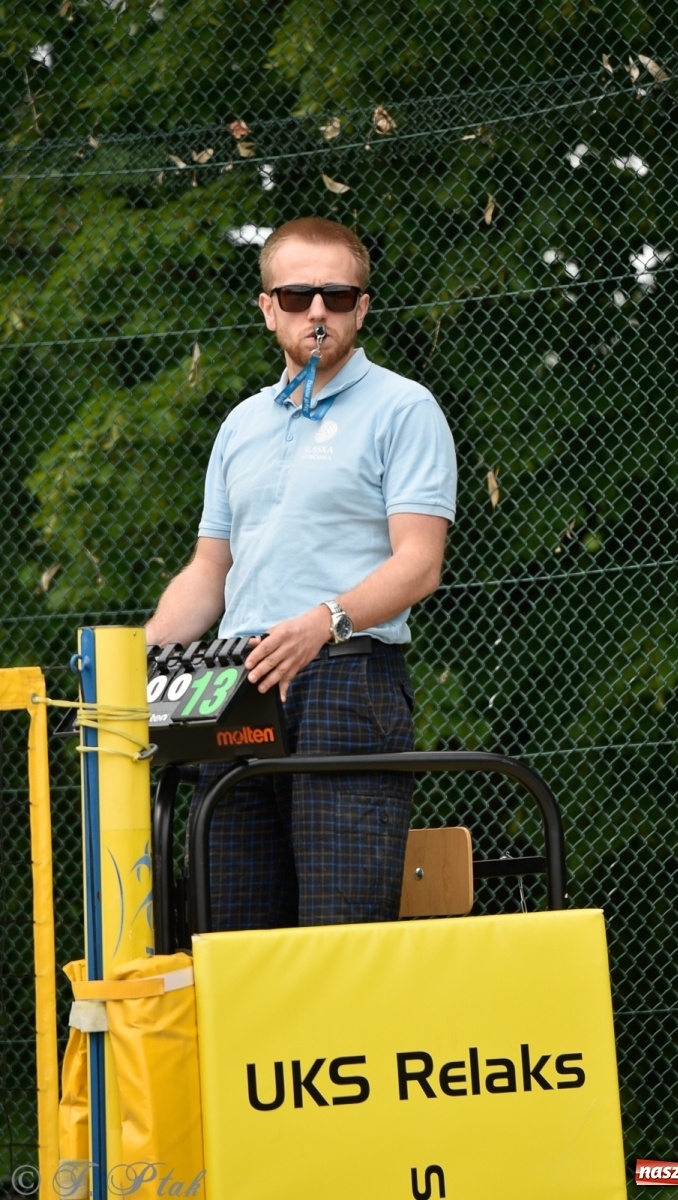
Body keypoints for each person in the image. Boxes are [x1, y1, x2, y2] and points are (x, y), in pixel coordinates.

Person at [145, 216, 457, 930]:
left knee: (337, 930)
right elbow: (208, 571)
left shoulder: (404, 408)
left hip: (346, 675)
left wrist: (324, 623)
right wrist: (137, 666)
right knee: (228, 931)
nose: (316, 311)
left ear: (362, 307)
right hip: (231, 685)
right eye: (295, 296)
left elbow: (420, 562)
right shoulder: (241, 424)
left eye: (336, 296)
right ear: (267, 309)